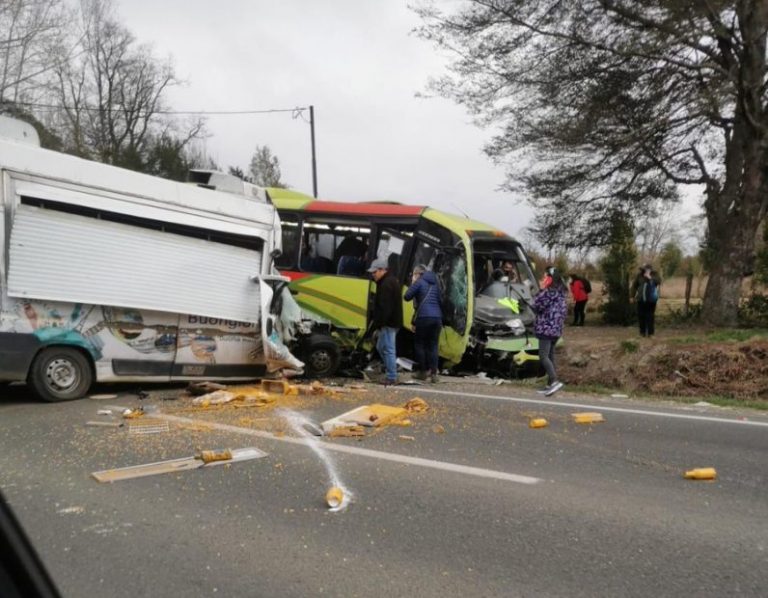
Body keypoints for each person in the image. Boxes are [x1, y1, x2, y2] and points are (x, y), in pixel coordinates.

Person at [404, 264, 443, 383]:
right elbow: (441, 301)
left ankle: (422, 372)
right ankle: (434, 374)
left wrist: (414, 283)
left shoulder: (419, 282)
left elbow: (406, 296)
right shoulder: (435, 284)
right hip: (437, 318)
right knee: (433, 345)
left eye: (413, 275)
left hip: (424, 317)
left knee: (420, 344)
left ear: (417, 274)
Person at [367, 257, 403, 385]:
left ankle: (391, 376)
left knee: (387, 349)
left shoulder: (386, 284)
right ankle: (390, 367)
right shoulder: (390, 281)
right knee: (380, 346)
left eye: (374, 272)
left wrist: (379, 324)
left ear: (382, 270)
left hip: (389, 323)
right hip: (391, 322)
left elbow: (385, 308)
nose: (373, 275)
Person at [533, 266, 568, 396]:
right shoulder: (561, 293)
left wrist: (540, 290)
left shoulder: (548, 292)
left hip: (546, 328)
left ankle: (554, 381)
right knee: (551, 356)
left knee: (543, 356)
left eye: (544, 277)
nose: (542, 279)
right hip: (556, 329)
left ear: (549, 278)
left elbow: (536, 305)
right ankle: (549, 385)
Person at [632, 264, 660, 337]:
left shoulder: (655, 275)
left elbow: (658, 282)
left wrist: (649, 277)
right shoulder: (639, 276)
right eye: (645, 269)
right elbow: (634, 286)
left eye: (647, 269)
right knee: (641, 316)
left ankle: (650, 333)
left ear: (650, 270)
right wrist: (632, 296)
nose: (646, 271)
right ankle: (642, 333)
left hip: (651, 300)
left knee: (650, 316)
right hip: (641, 299)